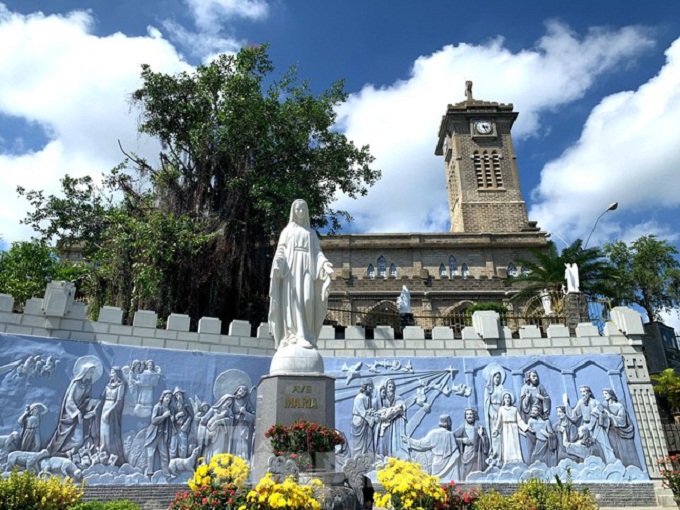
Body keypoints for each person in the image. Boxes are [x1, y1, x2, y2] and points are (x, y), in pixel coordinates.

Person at [268, 199, 333, 350]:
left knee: (308, 298)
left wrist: (325, 264)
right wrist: (277, 263)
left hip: (308, 268)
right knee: (294, 300)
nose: (301, 211)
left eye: (303, 209)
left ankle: (308, 333)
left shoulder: (311, 233)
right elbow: (281, 250)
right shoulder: (287, 231)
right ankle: (298, 335)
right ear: (293, 211)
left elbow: (317, 253)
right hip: (291, 269)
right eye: (298, 209)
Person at [47, 363, 98, 456]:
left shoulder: (88, 384)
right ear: (85, 372)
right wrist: (76, 412)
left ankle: (67, 453)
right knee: (63, 434)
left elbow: (86, 399)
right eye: (90, 372)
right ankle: (54, 451)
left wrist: (92, 403)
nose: (92, 375)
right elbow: (69, 400)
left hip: (80, 412)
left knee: (78, 440)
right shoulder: (76, 383)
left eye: (93, 373)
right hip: (70, 413)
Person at [563, 386, 616, 464]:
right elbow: (573, 416)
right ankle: (589, 463)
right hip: (586, 426)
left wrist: (598, 413)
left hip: (596, 427)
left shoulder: (595, 402)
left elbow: (600, 413)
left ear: (589, 393)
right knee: (586, 446)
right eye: (581, 392)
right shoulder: (581, 402)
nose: (583, 394)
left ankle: (610, 463)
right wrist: (566, 403)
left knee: (604, 446)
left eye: (584, 392)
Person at [403, 414, 459, 480]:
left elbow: (421, 445)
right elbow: (455, 451)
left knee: (436, 483)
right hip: (449, 461)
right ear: (448, 422)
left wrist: (409, 440)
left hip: (437, 461)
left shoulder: (433, 433)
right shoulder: (450, 434)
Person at [601, 388, 641, 468]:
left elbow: (622, 420)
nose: (604, 396)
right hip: (610, 431)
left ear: (611, 394)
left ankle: (624, 466)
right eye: (603, 394)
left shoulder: (619, 406)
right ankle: (615, 466)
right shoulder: (605, 406)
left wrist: (610, 415)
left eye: (605, 393)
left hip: (619, 431)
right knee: (613, 449)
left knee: (622, 449)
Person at [374, 378, 409, 459]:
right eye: (389, 387)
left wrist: (399, 406)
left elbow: (401, 404)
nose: (391, 389)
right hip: (382, 424)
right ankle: (381, 455)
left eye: (393, 387)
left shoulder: (397, 398)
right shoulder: (381, 398)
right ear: (386, 388)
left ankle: (390, 455)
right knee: (382, 440)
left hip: (392, 424)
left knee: (390, 441)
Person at [98, 367, 126, 466]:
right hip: (105, 407)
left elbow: (119, 401)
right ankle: (103, 452)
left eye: (113, 372)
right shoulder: (108, 385)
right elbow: (101, 398)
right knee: (103, 432)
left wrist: (109, 411)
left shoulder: (120, 385)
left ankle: (113, 455)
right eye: (111, 372)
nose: (111, 374)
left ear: (117, 374)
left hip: (112, 410)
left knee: (110, 433)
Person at [493, 391, 528, 465]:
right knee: (507, 445)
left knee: (515, 444)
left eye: (508, 397)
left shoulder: (514, 409)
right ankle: (508, 461)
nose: (507, 399)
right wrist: (496, 429)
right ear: (503, 399)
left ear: (511, 399)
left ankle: (517, 460)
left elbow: (519, 420)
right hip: (505, 428)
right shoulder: (501, 409)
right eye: (505, 398)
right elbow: (499, 420)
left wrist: (526, 427)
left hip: (514, 427)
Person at [453, 408, 490, 480]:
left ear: (474, 415)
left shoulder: (480, 428)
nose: (469, 416)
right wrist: (463, 440)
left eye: (471, 414)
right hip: (466, 454)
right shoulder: (462, 428)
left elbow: (486, 443)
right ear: (465, 416)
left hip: (477, 456)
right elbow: (452, 438)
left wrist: (481, 436)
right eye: (467, 414)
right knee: (465, 473)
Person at [143, 390, 173, 476]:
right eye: (167, 397)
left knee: (164, 455)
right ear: (163, 397)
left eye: (169, 398)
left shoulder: (168, 409)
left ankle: (165, 472)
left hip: (162, 435)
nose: (168, 399)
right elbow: (153, 420)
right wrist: (164, 416)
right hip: (153, 434)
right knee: (150, 454)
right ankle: (149, 472)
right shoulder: (157, 407)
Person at [483, 365, 506, 463]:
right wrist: (491, 412)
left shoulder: (501, 388)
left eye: (499, 378)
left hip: (501, 412)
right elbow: (487, 403)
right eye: (496, 377)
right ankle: (495, 454)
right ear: (492, 378)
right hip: (493, 414)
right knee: (495, 435)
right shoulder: (488, 389)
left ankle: (502, 456)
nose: (498, 379)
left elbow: (504, 400)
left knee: (502, 435)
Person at [203, 393, 234, 462]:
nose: (229, 402)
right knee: (212, 447)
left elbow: (231, 421)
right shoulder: (214, 409)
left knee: (220, 448)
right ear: (223, 400)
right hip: (213, 432)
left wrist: (221, 421)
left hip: (222, 432)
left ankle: (217, 464)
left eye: (231, 401)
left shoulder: (229, 411)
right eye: (228, 400)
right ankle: (210, 462)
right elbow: (205, 419)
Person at [351, 380, 376, 458]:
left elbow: (366, 410)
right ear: (365, 387)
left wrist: (371, 411)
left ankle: (366, 456)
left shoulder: (367, 397)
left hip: (365, 422)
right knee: (359, 444)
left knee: (367, 442)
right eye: (369, 386)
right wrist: (369, 420)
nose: (371, 388)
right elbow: (362, 412)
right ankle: (358, 458)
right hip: (359, 422)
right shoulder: (359, 397)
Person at [232, 385, 255, 460]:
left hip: (243, 426)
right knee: (234, 443)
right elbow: (227, 413)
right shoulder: (231, 400)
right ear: (237, 390)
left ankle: (242, 460)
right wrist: (235, 417)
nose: (241, 393)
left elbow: (254, 417)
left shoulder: (247, 402)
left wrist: (245, 413)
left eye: (244, 392)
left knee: (243, 443)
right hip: (234, 426)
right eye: (241, 391)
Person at [170, 388, 194, 460]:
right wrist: (175, 416)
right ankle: (172, 462)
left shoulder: (186, 405)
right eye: (177, 395)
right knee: (173, 445)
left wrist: (185, 424)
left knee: (183, 445)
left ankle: (182, 462)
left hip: (183, 428)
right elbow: (171, 416)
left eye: (179, 394)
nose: (178, 396)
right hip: (175, 428)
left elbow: (191, 416)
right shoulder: (174, 406)